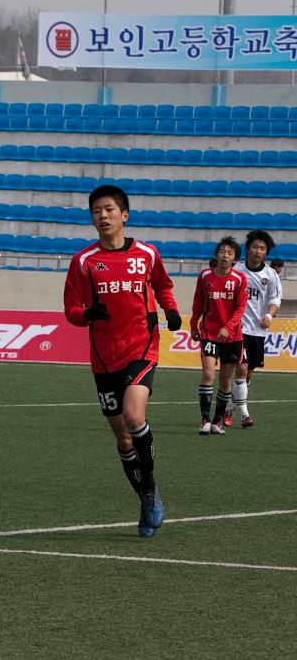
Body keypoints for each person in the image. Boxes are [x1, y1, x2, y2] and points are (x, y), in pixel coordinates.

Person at [63, 184, 180, 539]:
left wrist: (171, 309)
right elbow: (70, 310)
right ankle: (147, 497)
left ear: (124, 214)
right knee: (123, 440)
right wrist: (86, 314)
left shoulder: (146, 254)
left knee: (134, 416)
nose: (103, 216)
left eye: (110, 209)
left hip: (142, 347)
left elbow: (163, 285)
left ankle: (150, 492)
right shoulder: (84, 261)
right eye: (97, 211)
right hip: (103, 358)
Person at [190, 237, 246, 435]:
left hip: (232, 337)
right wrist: (193, 324)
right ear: (216, 255)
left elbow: (240, 309)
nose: (225, 255)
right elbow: (198, 302)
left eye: (230, 253)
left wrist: (228, 327)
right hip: (209, 333)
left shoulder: (239, 279)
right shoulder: (205, 276)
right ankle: (205, 419)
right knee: (208, 373)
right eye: (222, 251)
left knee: (225, 380)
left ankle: (217, 421)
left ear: (235, 260)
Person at [229, 230, 283, 429]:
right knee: (241, 369)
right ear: (247, 249)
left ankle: (228, 407)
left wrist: (269, 315)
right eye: (255, 247)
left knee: (248, 372)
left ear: (266, 252)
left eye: (262, 248)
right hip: (237, 329)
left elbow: (275, 299)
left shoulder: (270, 275)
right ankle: (244, 413)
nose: (258, 251)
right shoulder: (237, 270)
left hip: (258, 331)